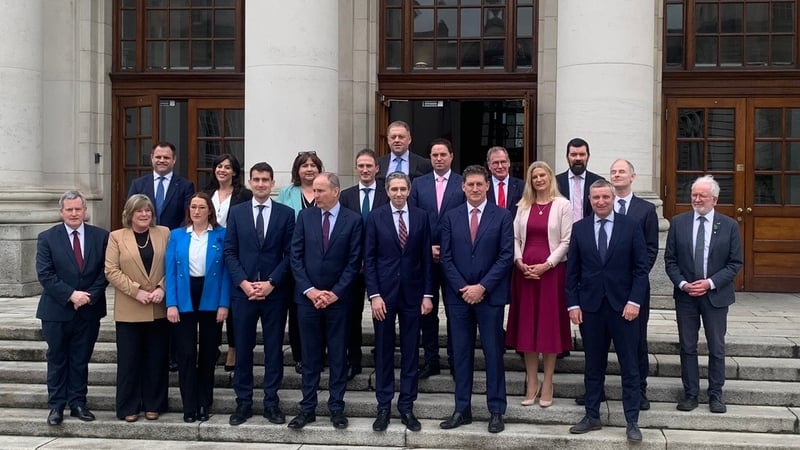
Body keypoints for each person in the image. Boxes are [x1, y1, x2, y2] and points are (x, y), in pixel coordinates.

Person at [566, 180, 649, 443]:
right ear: (589, 200)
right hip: (591, 309)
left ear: (613, 198)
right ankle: (592, 415)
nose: (600, 202)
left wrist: (635, 302)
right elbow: (572, 272)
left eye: (605, 197)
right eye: (596, 198)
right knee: (593, 365)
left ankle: (632, 421)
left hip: (624, 309)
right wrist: (573, 304)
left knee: (630, 366)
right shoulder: (580, 229)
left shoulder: (631, 226)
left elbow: (641, 269)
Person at [439, 165, 513, 434]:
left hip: (489, 297)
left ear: (487, 186)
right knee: (461, 355)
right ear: (463, 187)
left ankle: (496, 410)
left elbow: (506, 256)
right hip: (458, 298)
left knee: (493, 354)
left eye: (479, 184)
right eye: (470, 184)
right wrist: (463, 288)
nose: (474, 188)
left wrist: (482, 287)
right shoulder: (451, 217)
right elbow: (445, 257)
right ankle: (462, 409)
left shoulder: (502, 216)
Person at [288, 172, 362, 430]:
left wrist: (335, 293)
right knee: (310, 357)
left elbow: (354, 262)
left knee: (338, 356)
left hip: (338, 301)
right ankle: (307, 408)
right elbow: (295, 257)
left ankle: (336, 408)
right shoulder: (305, 217)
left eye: (320, 191)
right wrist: (310, 291)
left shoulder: (353, 220)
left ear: (335, 191)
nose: (315, 195)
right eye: (314, 190)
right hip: (308, 301)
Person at [224, 162, 296, 426]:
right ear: (250, 182)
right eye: (256, 179)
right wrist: (243, 283)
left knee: (273, 349)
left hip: (274, 294)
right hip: (243, 294)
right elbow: (230, 251)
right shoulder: (237, 213)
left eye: (265, 180)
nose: (261, 184)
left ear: (272, 183)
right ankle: (243, 402)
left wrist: (271, 283)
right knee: (243, 349)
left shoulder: (286, 214)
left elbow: (290, 254)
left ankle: (271, 402)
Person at [665, 175, 742, 414]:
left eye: (702, 196)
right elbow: (670, 260)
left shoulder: (729, 225)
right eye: (694, 195)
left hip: (715, 296)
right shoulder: (678, 222)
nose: (697, 199)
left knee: (716, 347)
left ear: (714, 200)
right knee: (687, 346)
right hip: (686, 296)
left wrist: (709, 283)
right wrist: (683, 284)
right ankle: (690, 394)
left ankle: (716, 395)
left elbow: (735, 263)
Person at [364, 172, 433, 432]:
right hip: (384, 295)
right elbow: (369, 259)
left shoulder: (421, 217)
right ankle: (383, 406)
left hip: (413, 295)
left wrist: (428, 294)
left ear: (409, 190)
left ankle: (406, 406)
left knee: (410, 351)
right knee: (383, 351)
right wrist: (374, 295)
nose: (399, 193)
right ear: (387, 191)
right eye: (394, 189)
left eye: (403, 189)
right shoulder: (376, 217)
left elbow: (426, 259)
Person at [36, 190, 109, 426]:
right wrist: (71, 295)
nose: (74, 213)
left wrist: (89, 296)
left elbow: (106, 271)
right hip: (56, 311)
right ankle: (56, 406)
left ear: (85, 210)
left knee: (80, 359)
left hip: (89, 309)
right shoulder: (47, 238)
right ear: (61, 212)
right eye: (69, 209)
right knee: (57, 358)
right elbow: (45, 274)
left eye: (78, 209)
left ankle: (78, 403)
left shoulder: (101, 236)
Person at [505, 161, 572, 408]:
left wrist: (547, 265)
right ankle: (531, 382)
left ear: (550, 177)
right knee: (528, 327)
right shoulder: (523, 206)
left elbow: (566, 241)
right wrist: (519, 261)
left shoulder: (563, 205)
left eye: (543, 175)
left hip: (552, 273)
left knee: (548, 327)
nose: (539, 180)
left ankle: (548, 382)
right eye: (535, 177)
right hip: (525, 273)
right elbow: (514, 237)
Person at [105, 194, 171, 422]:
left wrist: (162, 287)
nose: (144, 214)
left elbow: (173, 264)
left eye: (148, 210)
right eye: (139, 211)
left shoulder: (164, 233)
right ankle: (128, 407)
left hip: (158, 306)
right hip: (130, 307)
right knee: (129, 360)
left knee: (157, 358)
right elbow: (111, 270)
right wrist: (136, 291)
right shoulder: (116, 237)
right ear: (129, 214)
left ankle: (155, 404)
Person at [165, 192, 230, 423]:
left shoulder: (222, 234)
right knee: (186, 353)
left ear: (210, 210)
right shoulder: (177, 235)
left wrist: (224, 303)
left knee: (208, 353)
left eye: (202, 207)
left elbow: (226, 272)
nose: (197, 211)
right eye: (193, 207)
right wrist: (171, 304)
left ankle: (204, 402)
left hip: (211, 294)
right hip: (185, 294)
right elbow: (170, 271)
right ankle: (189, 405)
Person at [409, 138, 465, 379]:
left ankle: (455, 360)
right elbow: (413, 218)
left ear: (451, 156)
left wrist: (446, 248)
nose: (439, 159)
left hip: (455, 260)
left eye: (443, 154)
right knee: (427, 312)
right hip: (425, 259)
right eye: (434, 155)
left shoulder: (463, 183)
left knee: (455, 311)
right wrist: (427, 247)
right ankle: (431, 360)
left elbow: (465, 220)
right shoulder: (418, 184)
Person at [610, 159, 659, 410]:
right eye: (613, 172)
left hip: (634, 289)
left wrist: (635, 282)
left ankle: (639, 389)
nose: (617, 175)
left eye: (622, 171)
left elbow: (651, 250)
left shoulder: (646, 210)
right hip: (605, 288)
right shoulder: (601, 205)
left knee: (637, 340)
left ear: (632, 176)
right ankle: (594, 389)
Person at [339, 148, 389, 381]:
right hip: (353, 266)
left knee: (382, 313)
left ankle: (382, 358)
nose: (365, 170)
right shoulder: (345, 196)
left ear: (377, 168)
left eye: (369, 166)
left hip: (382, 265)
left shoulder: (387, 193)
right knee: (352, 314)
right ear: (356, 168)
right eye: (361, 166)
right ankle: (354, 360)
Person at [203, 153, 252, 373]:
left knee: (232, 303)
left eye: (227, 167)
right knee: (212, 300)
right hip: (208, 254)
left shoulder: (244, 195)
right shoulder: (206, 193)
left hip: (234, 253)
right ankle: (212, 346)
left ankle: (233, 348)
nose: (222, 170)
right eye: (219, 166)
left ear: (234, 172)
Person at [277, 150, 325, 374]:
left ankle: (320, 353)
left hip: (321, 258)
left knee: (321, 307)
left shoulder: (326, 191)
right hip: (294, 259)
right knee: (297, 309)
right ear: (297, 170)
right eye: (304, 165)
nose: (309, 169)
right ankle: (300, 355)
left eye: (313, 165)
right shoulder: (286, 193)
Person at [128, 141, 196, 230]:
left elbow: (189, 215)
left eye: (166, 157)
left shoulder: (186, 186)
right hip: (143, 235)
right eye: (158, 157)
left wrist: (176, 234)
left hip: (173, 236)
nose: (162, 160)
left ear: (174, 159)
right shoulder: (138, 184)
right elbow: (130, 212)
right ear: (152, 158)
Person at [556, 137, 604, 222]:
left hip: (589, 229)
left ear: (588, 157)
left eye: (582, 154)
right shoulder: (555, 182)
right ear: (567, 157)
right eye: (574, 155)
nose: (578, 158)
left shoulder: (598, 181)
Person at [376, 120, 433, 185]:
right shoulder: (378, 163)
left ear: (409, 139)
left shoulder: (424, 164)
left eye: (401, 137)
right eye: (393, 137)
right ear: (388, 140)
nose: (397, 140)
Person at [486, 146, 524, 217]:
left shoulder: (522, 186)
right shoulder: (483, 187)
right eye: (495, 163)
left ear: (509, 163)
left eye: (503, 162)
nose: (500, 166)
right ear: (489, 166)